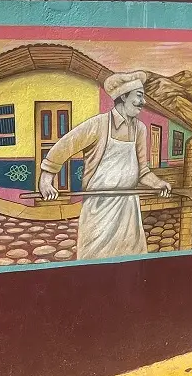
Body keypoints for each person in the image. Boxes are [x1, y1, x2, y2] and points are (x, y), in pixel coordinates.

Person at [38, 71, 171, 260]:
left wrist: (157, 183)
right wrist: (46, 179)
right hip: (99, 207)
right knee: (95, 259)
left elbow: (142, 171)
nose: (143, 102)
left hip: (128, 206)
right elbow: (66, 144)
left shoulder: (140, 129)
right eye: (139, 96)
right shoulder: (99, 124)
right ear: (124, 96)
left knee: (130, 258)